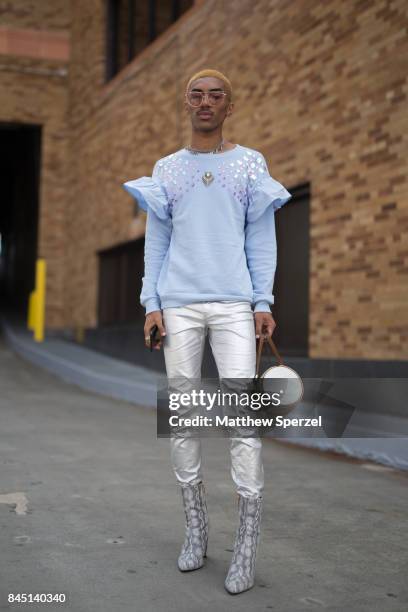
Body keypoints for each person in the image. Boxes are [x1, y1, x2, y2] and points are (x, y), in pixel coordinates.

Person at [123, 68, 292, 595]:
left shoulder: (249, 165)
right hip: (179, 306)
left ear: (229, 106)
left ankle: (245, 543)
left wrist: (262, 300)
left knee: (242, 420)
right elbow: (157, 244)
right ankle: (196, 527)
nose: (205, 102)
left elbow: (261, 240)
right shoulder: (167, 169)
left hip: (233, 305)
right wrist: (152, 303)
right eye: (196, 94)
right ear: (186, 103)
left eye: (215, 95)